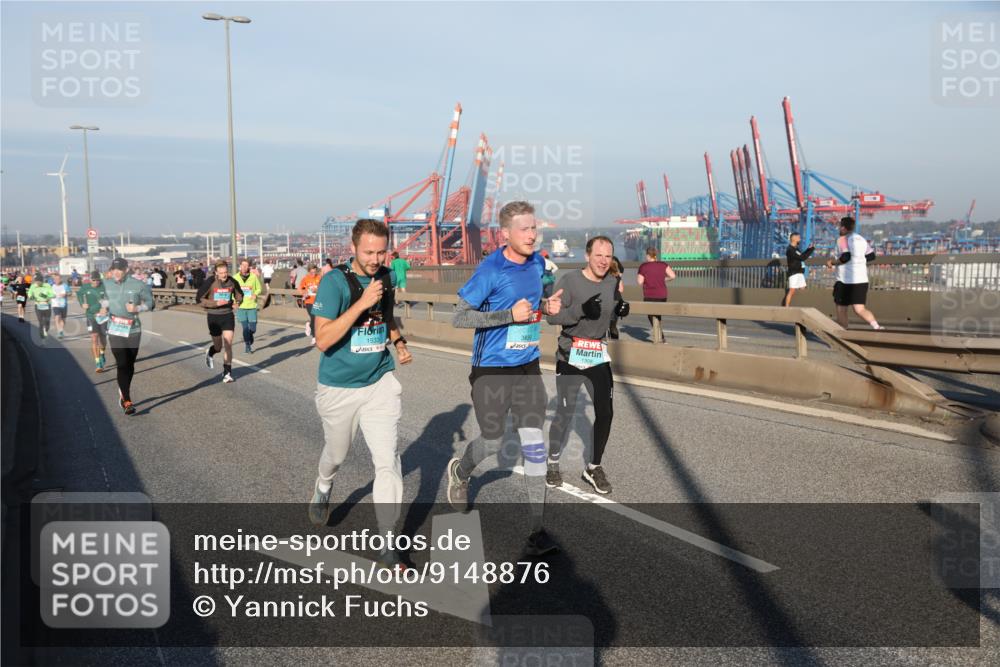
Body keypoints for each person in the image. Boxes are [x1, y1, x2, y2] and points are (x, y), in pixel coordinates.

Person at [445, 201, 563, 557]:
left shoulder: (539, 262)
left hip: (527, 365)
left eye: (534, 228)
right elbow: (459, 318)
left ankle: (537, 530)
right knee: (494, 441)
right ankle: (462, 470)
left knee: (533, 443)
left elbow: (537, 302)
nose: (532, 234)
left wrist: (548, 307)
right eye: (525, 229)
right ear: (505, 234)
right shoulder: (491, 270)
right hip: (492, 368)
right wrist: (506, 315)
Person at [307, 218, 413, 570]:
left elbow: (386, 316)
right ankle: (324, 485)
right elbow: (323, 340)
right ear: (352, 248)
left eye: (382, 251)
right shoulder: (334, 283)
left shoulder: (385, 276)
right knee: (336, 454)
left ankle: (387, 544)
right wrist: (360, 302)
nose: (375, 258)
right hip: (338, 388)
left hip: (379, 381)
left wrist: (398, 344)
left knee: (387, 462)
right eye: (369, 252)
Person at [546, 236, 627, 495]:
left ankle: (593, 467)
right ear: (588, 256)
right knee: (566, 412)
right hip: (570, 354)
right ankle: (553, 462)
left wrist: (621, 311)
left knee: (606, 412)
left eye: (608, 256)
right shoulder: (570, 281)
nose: (604, 261)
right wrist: (581, 309)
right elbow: (553, 317)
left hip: (596, 353)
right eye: (599, 255)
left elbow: (610, 315)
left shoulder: (613, 282)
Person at [104, 258, 155, 415]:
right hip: (115, 329)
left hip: (133, 330)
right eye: (114, 269)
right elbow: (100, 299)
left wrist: (138, 307)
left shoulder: (138, 285)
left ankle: (124, 391)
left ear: (126, 270)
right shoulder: (106, 284)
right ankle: (126, 399)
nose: (117, 272)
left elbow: (151, 303)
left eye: (120, 269)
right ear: (111, 270)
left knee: (130, 364)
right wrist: (101, 307)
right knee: (122, 363)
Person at [826, 216, 882, 330]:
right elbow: (871, 256)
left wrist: (832, 262)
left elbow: (845, 257)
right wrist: (859, 260)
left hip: (845, 280)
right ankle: (877, 327)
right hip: (861, 279)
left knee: (842, 308)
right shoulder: (861, 239)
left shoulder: (842, 239)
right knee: (860, 309)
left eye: (839, 226)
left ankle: (843, 333)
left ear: (843, 228)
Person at [197, 260, 243, 383]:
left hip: (227, 315)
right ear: (216, 273)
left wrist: (237, 303)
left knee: (228, 343)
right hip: (213, 316)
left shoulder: (232, 281)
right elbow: (199, 299)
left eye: (226, 272)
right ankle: (211, 351)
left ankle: (227, 372)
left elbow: (240, 295)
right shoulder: (210, 282)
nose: (224, 275)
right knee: (218, 347)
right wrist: (215, 303)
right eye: (221, 273)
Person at [636, 247, 676, 344]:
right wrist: (662, 279)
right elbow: (673, 276)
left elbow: (639, 282)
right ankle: (660, 337)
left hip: (650, 295)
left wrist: (648, 279)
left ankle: (660, 338)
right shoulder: (663, 265)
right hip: (662, 295)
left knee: (651, 316)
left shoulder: (643, 266)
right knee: (658, 315)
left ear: (648, 255)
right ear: (656, 255)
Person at [78, 270, 109, 373]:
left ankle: (102, 352)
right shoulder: (85, 287)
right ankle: (98, 363)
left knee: (103, 338)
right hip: (91, 316)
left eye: (98, 280)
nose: (96, 282)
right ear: (90, 279)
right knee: (94, 338)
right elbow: (79, 294)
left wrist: (105, 307)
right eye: (94, 280)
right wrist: (82, 303)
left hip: (103, 316)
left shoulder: (104, 286)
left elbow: (110, 298)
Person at [233, 259, 263, 354]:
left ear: (249, 267)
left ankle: (250, 335)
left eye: (246, 265)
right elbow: (232, 291)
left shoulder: (253, 277)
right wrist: (234, 302)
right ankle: (247, 345)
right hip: (241, 306)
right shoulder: (235, 277)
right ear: (240, 266)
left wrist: (255, 294)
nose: (244, 267)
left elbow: (259, 288)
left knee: (253, 329)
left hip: (251, 305)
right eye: (243, 265)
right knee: (245, 328)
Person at [784, 232, 815, 307]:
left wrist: (809, 249)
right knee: (792, 291)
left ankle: (805, 306)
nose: (799, 238)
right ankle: (786, 308)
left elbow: (802, 256)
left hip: (800, 272)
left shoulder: (796, 249)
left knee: (803, 289)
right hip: (794, 273)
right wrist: (810, 250)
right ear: (793, 238)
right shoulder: (790, 250)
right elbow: (802, 257)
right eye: (798, 237)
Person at [27, 273, 55, 338]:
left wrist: (48, 297)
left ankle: (46, 329)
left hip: (47, 305)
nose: (36, 283)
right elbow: (29, 293)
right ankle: (41, 334)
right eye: (36, 281)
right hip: (38, 305)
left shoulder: (47, 285)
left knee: (47, 321)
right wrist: (31, 297)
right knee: (41, 320)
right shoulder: (33, 286)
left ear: (41, 281)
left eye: (38, 281)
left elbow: (52, 294)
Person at [300, 263, 322, 344]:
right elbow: (301, 288)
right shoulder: (305, 279)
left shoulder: (319, 278)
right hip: (309, 301)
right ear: (308, 271)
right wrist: (304, 293)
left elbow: (323, 287)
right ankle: (314, 336)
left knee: (316, 318)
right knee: (313, 317)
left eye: (314, 272)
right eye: (311, 272)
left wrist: (318, 290)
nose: (313, 274)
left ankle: (309, 325)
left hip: (317, 301)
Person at [607, 254, 625, 339]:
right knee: (613, 326)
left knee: (602, 326)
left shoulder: (604, 277)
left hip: (606, 302)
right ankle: (615, 343)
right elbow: (621, 289)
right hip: (617, 301)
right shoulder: (617, 277)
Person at [50, 272, 71, 339]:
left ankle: (61, 331)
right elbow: (48, 294)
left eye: (58, 279)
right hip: (55, 304)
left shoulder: (65, 286)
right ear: (54, 280)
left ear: (60, 279)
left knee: (63, 319)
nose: (57, 280)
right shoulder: (51, 286)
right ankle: (59, 331)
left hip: (63, 305)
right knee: (57, 316)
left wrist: (66, 294)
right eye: (55, 279)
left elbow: (70, 293)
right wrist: (50, 296)